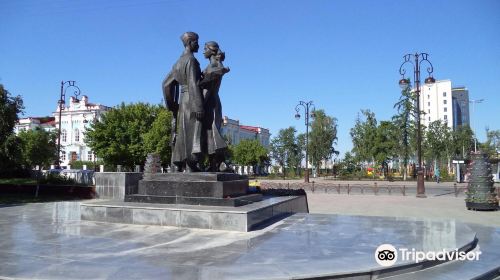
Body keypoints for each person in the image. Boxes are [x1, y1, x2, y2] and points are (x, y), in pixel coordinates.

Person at [162, 32, 205, 172]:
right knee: (192, 133)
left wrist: (173, 105)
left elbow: (165, 85)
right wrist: (199, 106)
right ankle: (191, 165)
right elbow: (193, 84)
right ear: (190, 43)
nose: (198, 44)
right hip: (192, 99)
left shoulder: (178, 63)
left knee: (184, 132)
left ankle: (182, 164)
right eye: (197, 41)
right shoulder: (191, 60)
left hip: (182, 100)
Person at [199, 41, 230, 171]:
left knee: (212, 132)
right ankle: (214, 164)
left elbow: (206, 88)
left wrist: (199, 105)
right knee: (210, 133)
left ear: (211, 51)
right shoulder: (215, 65)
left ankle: (220, 162)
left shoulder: (214, 66)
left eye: (205, 48)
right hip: (213, 101)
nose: (203, 51)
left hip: (210, 102)